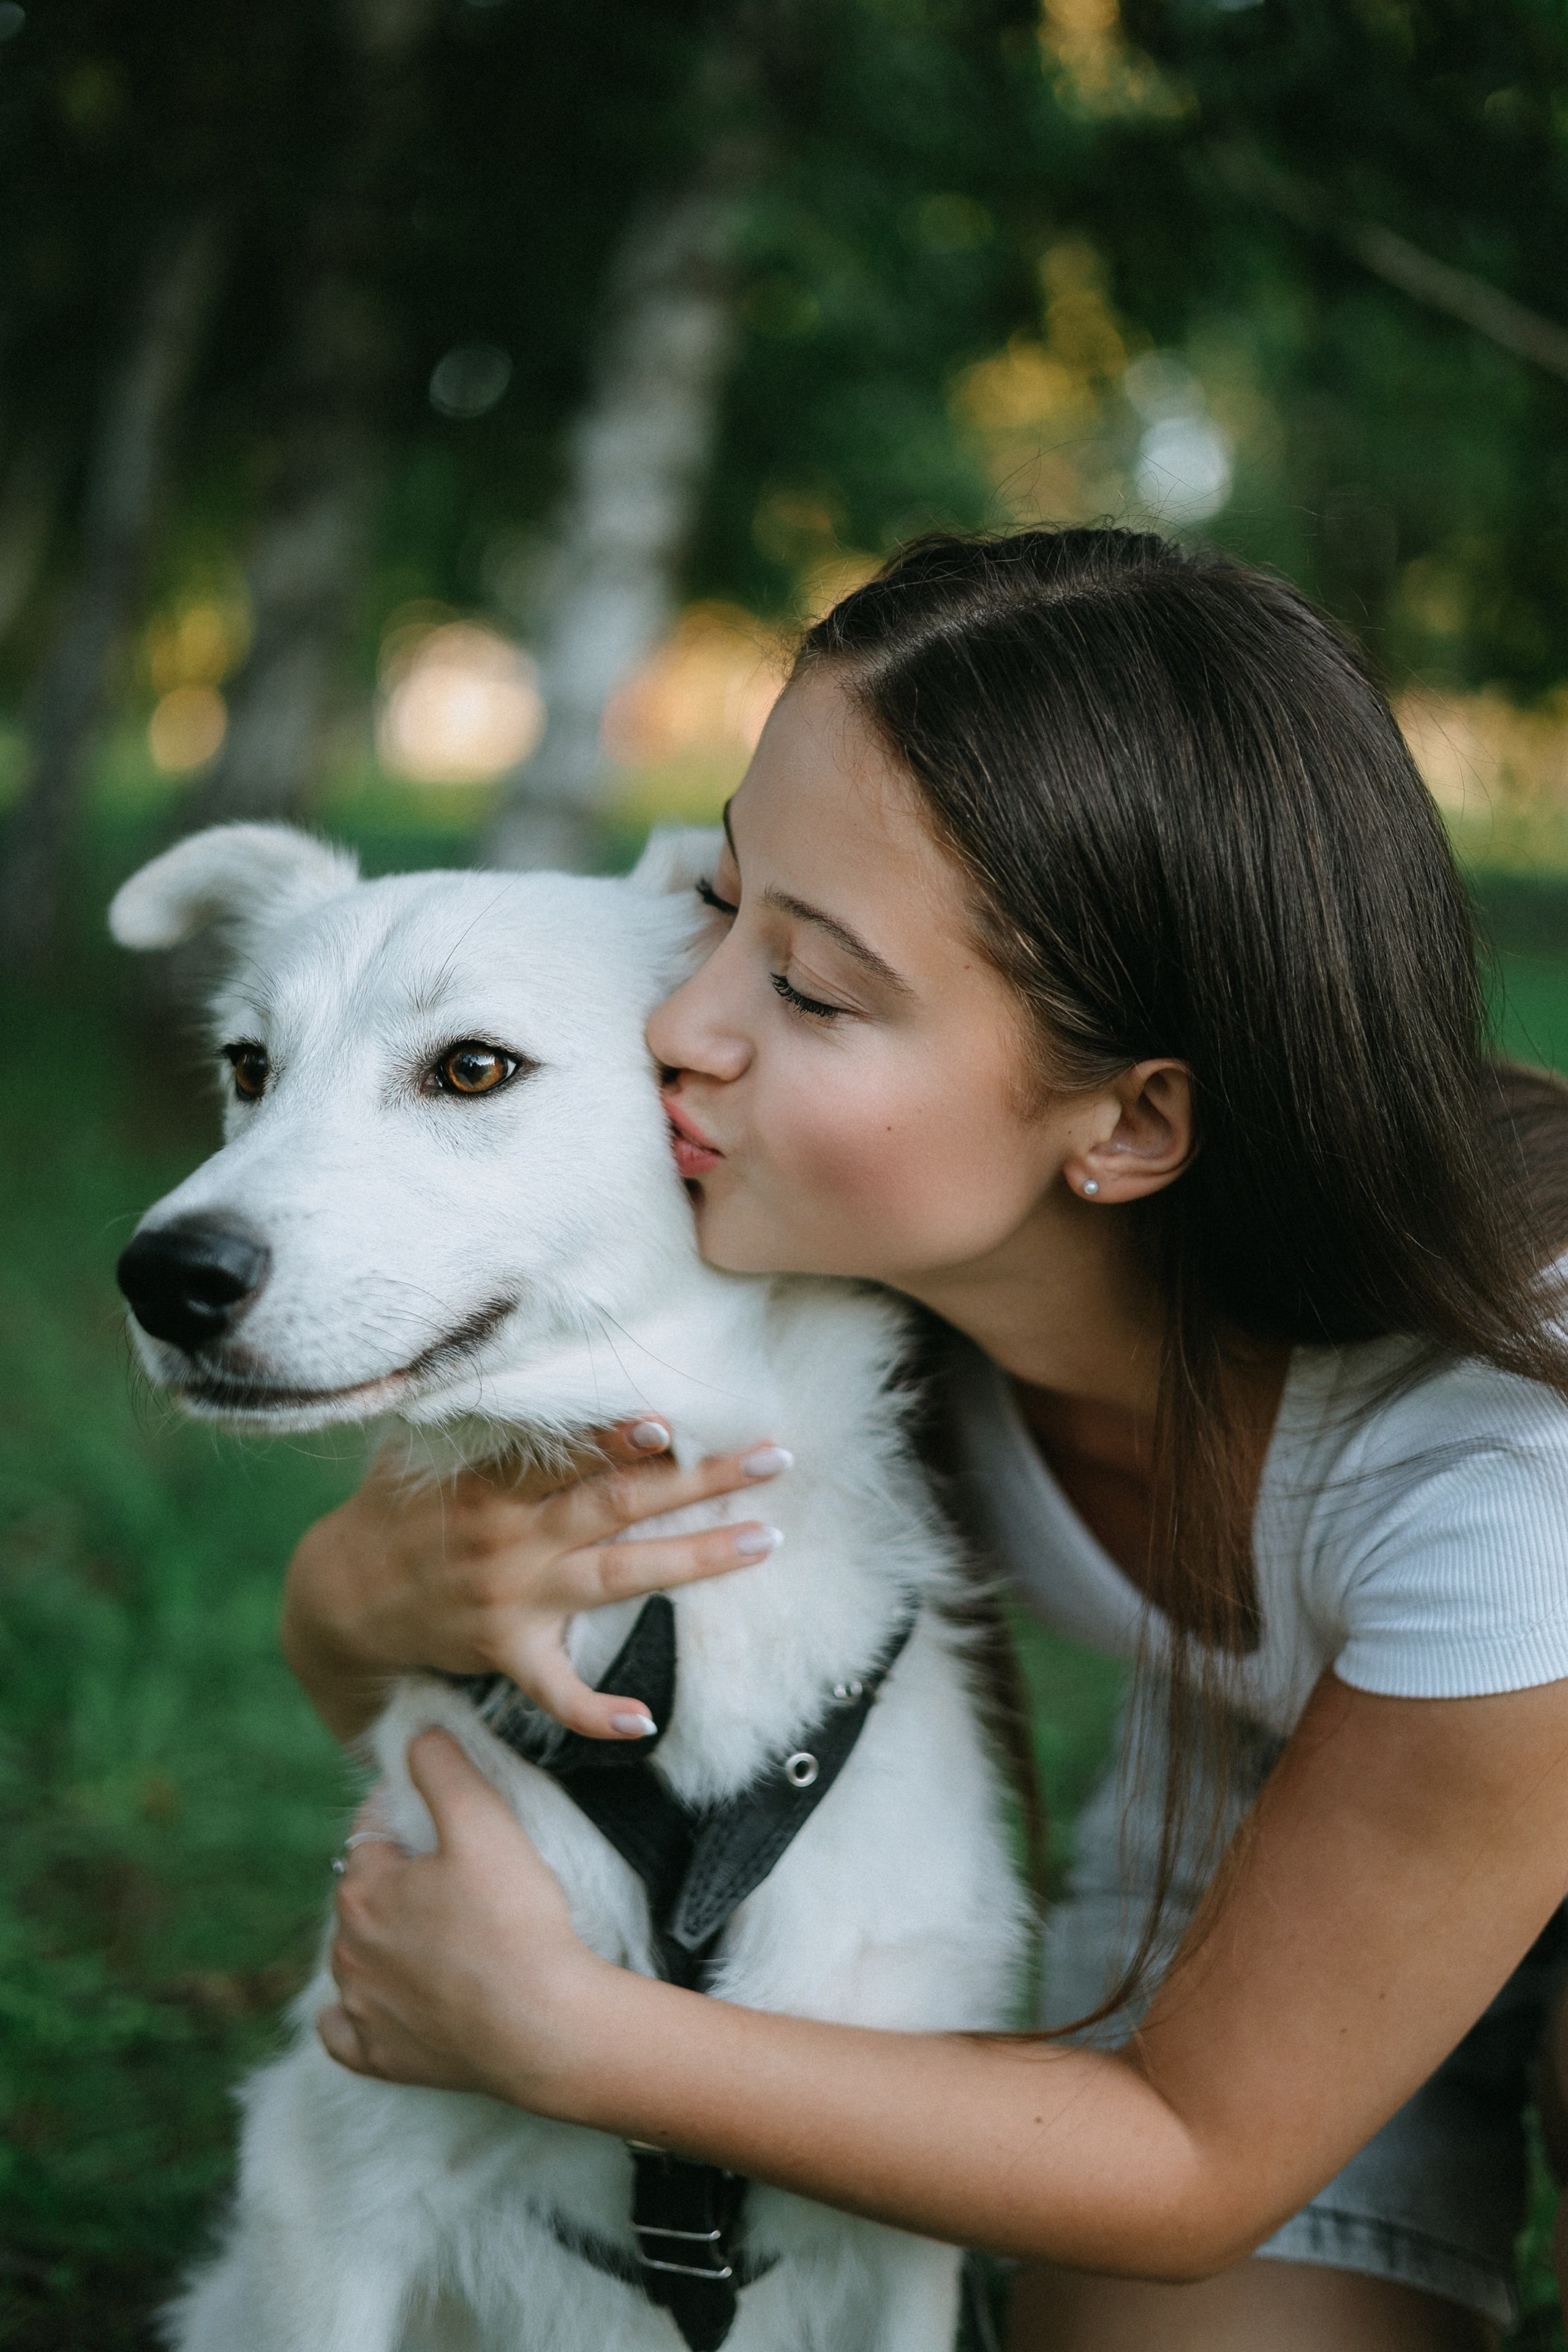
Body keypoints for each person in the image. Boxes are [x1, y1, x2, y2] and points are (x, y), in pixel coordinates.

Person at [281, 529, 1568, 2351]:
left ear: (1127, 1126)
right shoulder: (848, 1286)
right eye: (723, 901)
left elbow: (1193, 2153)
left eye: (810, 991)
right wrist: (374, 1580)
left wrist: (572, 2037)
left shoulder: (1521, 1484)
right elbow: (401, 1677)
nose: (679, 1027)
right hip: (1316, 1797)